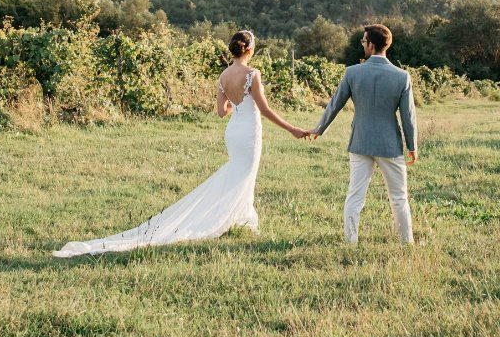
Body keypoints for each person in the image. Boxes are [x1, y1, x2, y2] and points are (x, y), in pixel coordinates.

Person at [53, 29, 313, 258]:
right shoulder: (252, 74)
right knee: (243, 175)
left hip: (233, 132)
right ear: (251, 50)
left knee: (238, 174)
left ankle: (242, 218)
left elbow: (221, 112)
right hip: (248, 133)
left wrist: (238, 107)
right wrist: (292, 129)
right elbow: (264, 110)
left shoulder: (223, 76)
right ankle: (232, 220)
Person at [308, 23, 417, 244]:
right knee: (399, 197)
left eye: (363, 41)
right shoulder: (402, 76)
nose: (362, 44)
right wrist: (412, 146)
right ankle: (407, 243)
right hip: (390, 145)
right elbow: (408, 116)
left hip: (360, 143)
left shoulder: (352, 72)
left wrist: (319, 129)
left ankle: (351, 242)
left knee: (355, 195)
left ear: (371, 45)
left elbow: (334, 105)